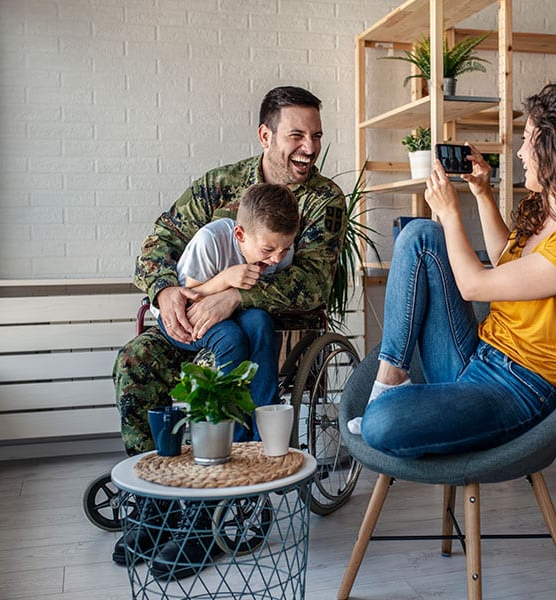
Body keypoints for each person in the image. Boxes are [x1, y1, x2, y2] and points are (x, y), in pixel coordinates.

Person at [112, 86, 346, 576]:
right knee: (135, 362)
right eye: (296, 134)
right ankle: (154, 508)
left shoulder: (323, 200)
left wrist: (237, 295)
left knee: (234, 360)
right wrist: (164, 292)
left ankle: (204, 516)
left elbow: (312, 283)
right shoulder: (219, 186)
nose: (309, 146)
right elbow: (157, 244)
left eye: (316, 136)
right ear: (266, 135)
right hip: (192, 318)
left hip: (266, 334)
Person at [348, 80, 556, 460]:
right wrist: (481, 193)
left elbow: (475, 286)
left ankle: (403, 401)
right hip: (478, 354)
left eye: (529, 140)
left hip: (515, 389)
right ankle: (390, 379)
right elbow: (508, 264)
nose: (521, 152)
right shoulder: (550, 216)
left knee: (380, 424)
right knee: (420, 234)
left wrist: (451, 211)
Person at [155, 182, 300, 441]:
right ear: (240, 234)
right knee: (230, 339)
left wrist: (235, 293)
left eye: (285, 249)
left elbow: (260, 296)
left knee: (260, 322)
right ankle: (233, 438)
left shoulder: (278, 251)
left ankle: (264, 433)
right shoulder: (210, 240)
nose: (277, 259)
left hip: (233, 312)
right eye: (268, 250)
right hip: (184, 315)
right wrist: (226, 279)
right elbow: (188, 298)